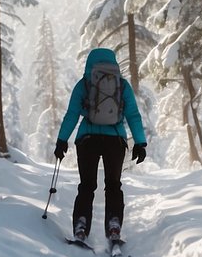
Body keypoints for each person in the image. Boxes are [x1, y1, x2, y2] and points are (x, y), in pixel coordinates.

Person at [54, 48, 147, 243]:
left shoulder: (85, 84)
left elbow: (72, 114)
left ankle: (81, 226)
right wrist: (140, 142)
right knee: (113, 185)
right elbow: (133, 115)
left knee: (86, 186)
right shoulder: (121, 85)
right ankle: (114, 225)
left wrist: (62, 140)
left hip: (87, 139)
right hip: (115, 140)